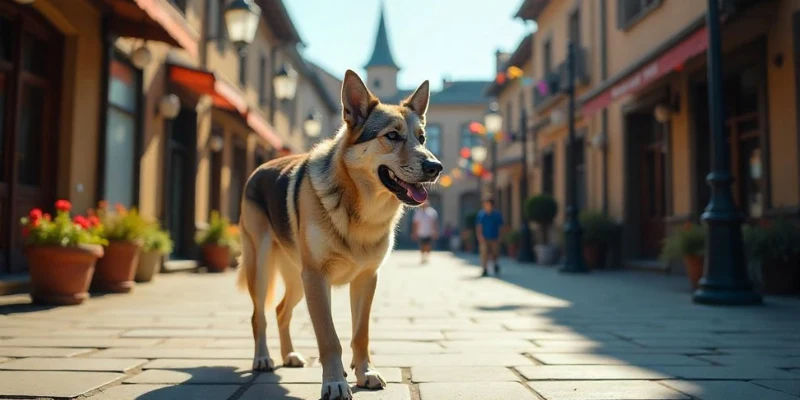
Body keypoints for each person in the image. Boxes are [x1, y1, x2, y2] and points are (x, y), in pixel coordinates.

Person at [476, 199, 503, 277]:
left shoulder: (497, 215)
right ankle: (484, 269)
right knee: (484, 253)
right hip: (484, 238)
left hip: (494, 237)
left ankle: (495, 264)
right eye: (485, 204)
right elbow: (479, 226)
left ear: (492, 205)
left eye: (488, 204)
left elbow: (500, 227)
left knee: (495, 252)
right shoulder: (481, 214)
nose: (487, 206)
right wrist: (479, 236)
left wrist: (500, 237)